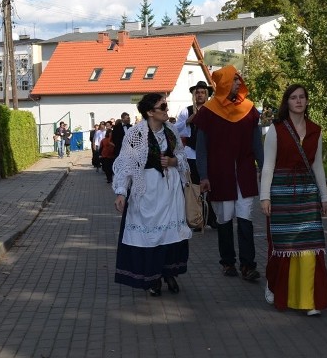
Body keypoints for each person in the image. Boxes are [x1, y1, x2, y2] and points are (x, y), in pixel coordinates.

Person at [260, 84, 327, 316]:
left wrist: (324, 196)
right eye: (293, 98)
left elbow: (317, 165)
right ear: (287, 102)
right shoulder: (276, 129)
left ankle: (309, 300)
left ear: (307, 101)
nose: (298, 101)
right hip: (281, 192)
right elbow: (267, 165)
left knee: (310, 243)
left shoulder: (316, 130)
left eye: (302, 97)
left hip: (308, 192)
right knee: (285, 245)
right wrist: (265, 197)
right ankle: (276, 287)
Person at [112, 93, 192, 296]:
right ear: (149, 112)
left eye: (166, 106)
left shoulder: (171, 131)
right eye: (162, 107)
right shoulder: (136, 134)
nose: (167, 110)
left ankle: (168, 273)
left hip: (170, 190)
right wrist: (121, 191)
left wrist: (174, 162)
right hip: (147, 190)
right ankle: (153, 277)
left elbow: (181, 155)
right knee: (151, 235)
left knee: (170, 234)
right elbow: (125, 164)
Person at [192, 65, 264, 281]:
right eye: (233, 80)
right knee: (224, 219)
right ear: (224, 83)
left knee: (245, 218)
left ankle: (248, 265)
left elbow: (256, 144)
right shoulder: (209, 111)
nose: (237, 83)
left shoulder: (249, 109)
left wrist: (264, 168)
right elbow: (201, 148)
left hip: (244, 173)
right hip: (220, 175)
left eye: (238, 80)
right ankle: (227, 262)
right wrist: (203, 175)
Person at [175, 80, 219, 230]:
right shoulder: (186, 111)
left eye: (203, 92)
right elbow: (175, 130)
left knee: (211, 187)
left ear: (207, 95)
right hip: (191, 154)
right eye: (198, 93)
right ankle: (196, 218)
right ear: (194, 95)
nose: (200, 95)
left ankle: (212, 218)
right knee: (194, 188)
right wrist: (188, 121)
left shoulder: (213, 110)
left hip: (210, 154)